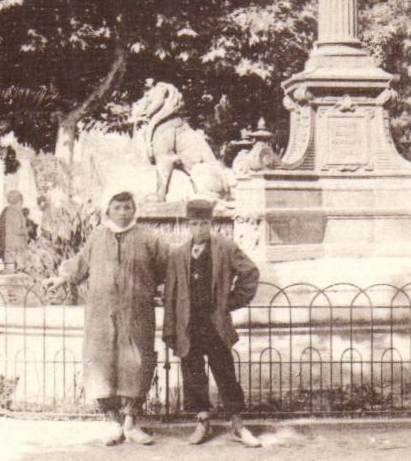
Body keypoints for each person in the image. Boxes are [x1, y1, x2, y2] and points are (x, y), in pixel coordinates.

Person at [46, 191, 167, 445]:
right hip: (102, 315)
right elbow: (81, 263)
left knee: (137, 362)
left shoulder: (148, 238)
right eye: (118, 208)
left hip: (136, 313)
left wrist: (158, 288)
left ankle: (131, 422)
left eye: (127, 207)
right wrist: (63, 277)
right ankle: (113, 422)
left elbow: (164, 267)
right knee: (103, 363)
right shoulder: (98, 236)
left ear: (134, 210)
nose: (123, 213)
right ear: (108, 210)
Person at [163, 198, 262, 447]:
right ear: (188, 225)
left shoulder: (225, 248)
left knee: (225, 372)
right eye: (194, 224)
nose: (199, 229)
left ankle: (238, 424)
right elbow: (171, 296)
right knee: (193, 373)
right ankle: (202, 421)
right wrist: (171, 329)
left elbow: (250, 272)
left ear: (211, 223)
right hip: (189, 325)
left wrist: (230, 301)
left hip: (215, 324)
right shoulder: (178, 254)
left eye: (204, 224)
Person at [0, 190, 37, 271]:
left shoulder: (10, 211)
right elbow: (17, 230)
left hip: (12, 246)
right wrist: (28, 229)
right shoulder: (15, 212)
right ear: (19, 200)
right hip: (16, 247)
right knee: (16, 272)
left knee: (12, 271)